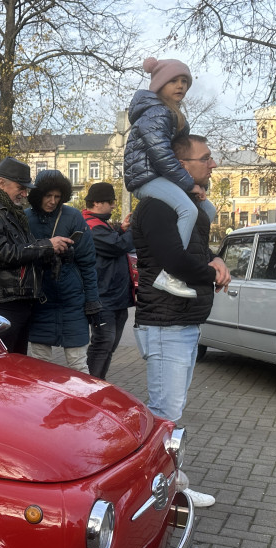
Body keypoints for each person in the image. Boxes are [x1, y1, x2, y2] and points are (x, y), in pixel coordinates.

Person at [132, 134, 231, 508]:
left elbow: (194, 251)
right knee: (164, 417)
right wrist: (210, 272)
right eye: (205, 158)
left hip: (181, 323)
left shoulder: (182, 205)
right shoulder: (158, 206)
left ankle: (170, 484)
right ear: (179, 163)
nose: (213, 164)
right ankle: (158, 490)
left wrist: (215, 260)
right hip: (165, 325)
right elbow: (173, 261)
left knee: (169, 414)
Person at [123, 56, 216, 300]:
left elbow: (176, 151)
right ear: (160, 83)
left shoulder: (173, 115)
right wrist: (188, 184)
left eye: (185, 81)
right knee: (188, 209)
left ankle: (194, 255)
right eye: (174, 80)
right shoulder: (157, 112)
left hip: (160, 175)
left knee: (207, 208)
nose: (181, 86)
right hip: (145, 177)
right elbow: (162, 154)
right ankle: (170, 275)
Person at [0, 157, 73, 354]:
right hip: (2, 303)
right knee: (2, 369)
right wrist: (47, 246)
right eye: (20, 187)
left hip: (16, 301)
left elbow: (24, 251)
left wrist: (54, 252)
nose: (24, 194)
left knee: (14, 367)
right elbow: (2, 253)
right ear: (1, 183)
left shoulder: (10, 211)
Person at [25, 170, 101, 373]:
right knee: (40, 365)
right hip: (40, 300)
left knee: (78, 365)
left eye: (57, 196)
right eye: (48, 195)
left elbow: (87, 262)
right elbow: (18, 256)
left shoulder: (73, 216)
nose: (52, 201)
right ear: (38, 194)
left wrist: (92, 300)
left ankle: (81, 404)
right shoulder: (25, 219)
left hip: (72, 300)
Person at [83, 182, 135, 380]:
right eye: (111, 202)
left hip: (114, 297)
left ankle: (98, 383)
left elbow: (113, 241)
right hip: (104, 298)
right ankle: (90, 387)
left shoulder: (100, 224)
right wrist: (133, 231)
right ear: (97, 203)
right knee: (103, 344)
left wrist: (122, 229)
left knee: (108, 345)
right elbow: (117, 246)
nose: (114, 206)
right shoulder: (90, 226)